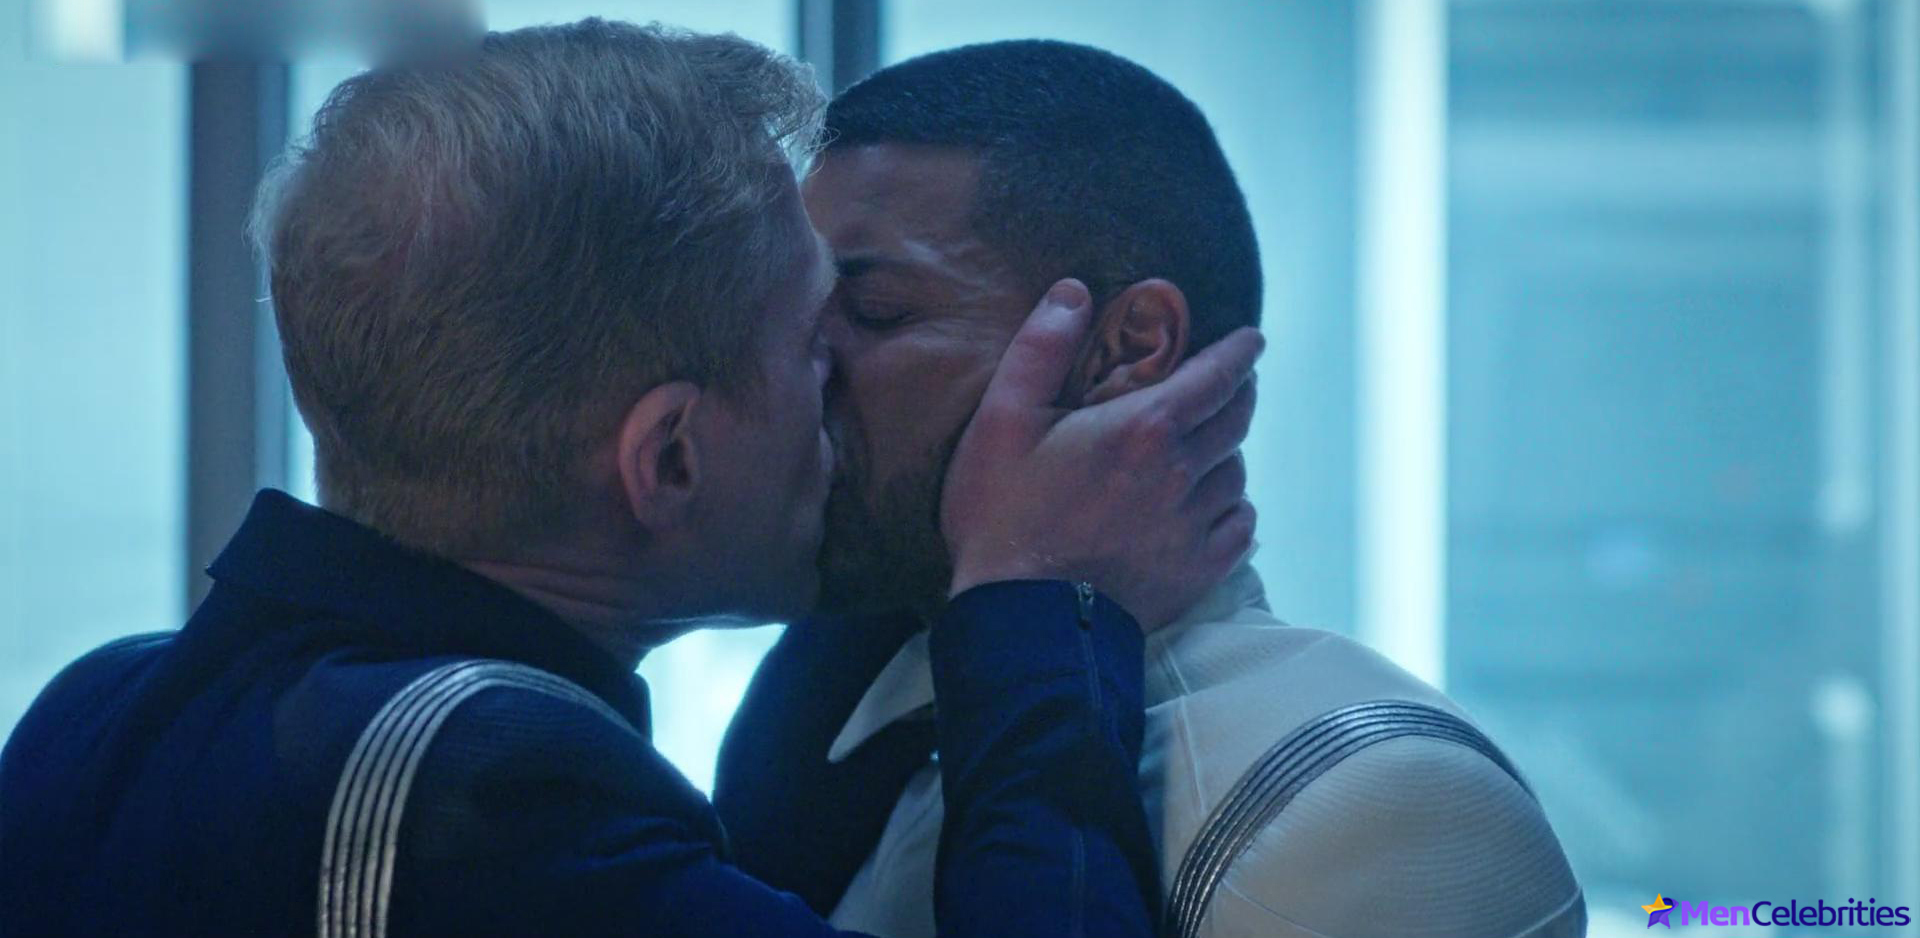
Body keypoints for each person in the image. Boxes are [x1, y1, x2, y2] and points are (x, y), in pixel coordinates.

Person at [0, 22, 1266, 938]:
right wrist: (1036, 597)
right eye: (815, 342)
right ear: (668, 458)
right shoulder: (492, 806)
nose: (841, 388)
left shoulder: (97, 708)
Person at [716, 40, 1587, 938]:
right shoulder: (848, 717)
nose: (796, 371)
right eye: (798, 319)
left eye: (875, 313)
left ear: (1127, 350)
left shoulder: (1375, 805)